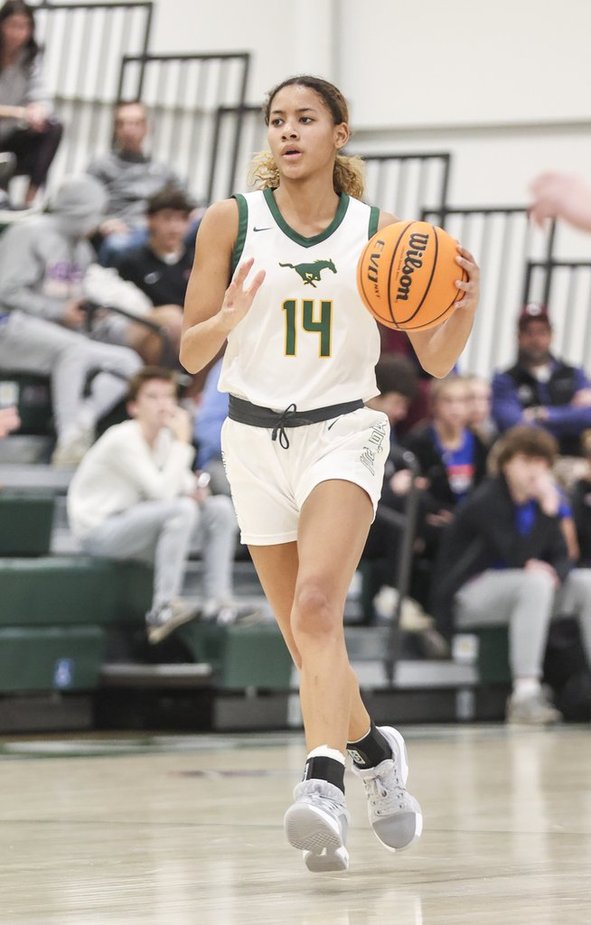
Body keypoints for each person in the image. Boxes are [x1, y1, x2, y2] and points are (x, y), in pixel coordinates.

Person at [180, 74, 480, 873]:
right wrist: (224, 320)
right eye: (277, 119)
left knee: (318, 606)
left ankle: (322, 784)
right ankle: (374, 751)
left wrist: (462, 305)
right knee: (304, 637)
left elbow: (434, 360)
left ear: (338, 134)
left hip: (341, 432)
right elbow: (189, 351)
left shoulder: (380, 237)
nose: (287, 131)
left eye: (304, 118)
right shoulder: (230, 221)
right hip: (251, 440)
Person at [67, 367, 240, 643]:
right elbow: (163, 494)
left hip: (138, 523)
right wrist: (184, 442)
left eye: (169, 396)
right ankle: (164, 608)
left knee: (219, 509)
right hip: (99, 530)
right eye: (153, 397)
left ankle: (218, 603)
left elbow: (184, 486)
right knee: (181, 510)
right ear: (133, 407)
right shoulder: (122, 438)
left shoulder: (165, 439)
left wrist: (198, 490)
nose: (163, 404)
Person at [431, 425, 591, 725]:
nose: (535, 470)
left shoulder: (540, 502)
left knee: (585, 583)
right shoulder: (487, 500)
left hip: (523, 592)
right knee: (534, 583)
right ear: (507, 463)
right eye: (526, 461)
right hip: (467, 596)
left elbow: (563, 557)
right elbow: (517, 555)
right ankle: (525, 696)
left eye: (541, 462)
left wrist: (554, 572)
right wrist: (549, 512)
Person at [0, 174, 142, 466]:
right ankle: (68, 442)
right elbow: (5, 290)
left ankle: (80, 422)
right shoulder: (28, 232)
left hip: (58, 336)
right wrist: (58, 312)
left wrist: (89, 313)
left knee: (129, 362)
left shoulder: (82, 249)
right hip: (10, 327)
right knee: (73, 349)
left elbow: (72, 299)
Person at [87, 100, 186, 267]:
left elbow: (188, 200)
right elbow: (83, 206)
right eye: (122, 123)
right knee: (117, 246)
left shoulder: (162, 170)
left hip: (157, 232)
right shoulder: (101, 166)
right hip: (122, 231)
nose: (129, 129)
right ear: (116, 128)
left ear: (147, 127)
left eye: (136, 123)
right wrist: (102, 222)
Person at [491, 302, 591, 457]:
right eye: (529, 333)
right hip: (528, 459)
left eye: (541, 332)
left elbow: (587, 416)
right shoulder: (504, 379)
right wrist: (569, 415)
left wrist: (543, 414)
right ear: (518, 337)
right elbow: (513, 425)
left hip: (573, 458)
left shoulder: (573, 374)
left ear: (551, 335)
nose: (535, 339)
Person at [116, 185, 194, 365]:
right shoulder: (130, 261)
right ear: (150, 219)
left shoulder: (198, 261)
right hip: (146, 331)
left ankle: (198, 385)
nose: (175, 227)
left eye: (182, 219)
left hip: (190, 335)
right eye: (167, 218)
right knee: (171, 321)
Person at [0, 1, 62, 207]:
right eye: (13, 25)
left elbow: (41, 94)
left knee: (53, 127)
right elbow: (19, 112)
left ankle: (28, 204)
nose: (18, 33)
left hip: (11, 137)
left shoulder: (31, 57)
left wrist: (38, 111)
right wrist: (19, 112)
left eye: (25, 26)